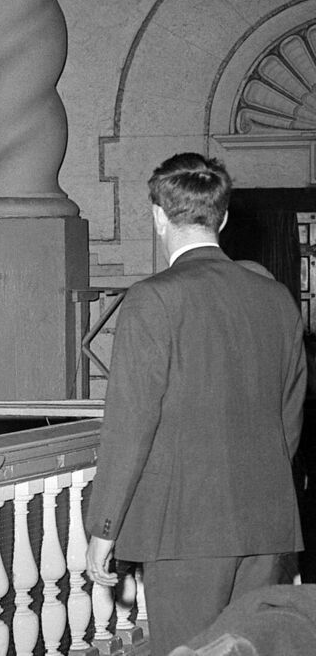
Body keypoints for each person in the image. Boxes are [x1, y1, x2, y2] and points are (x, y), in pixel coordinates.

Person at [84, 153, 307, 655]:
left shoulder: (152, 299)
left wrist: (105, 528)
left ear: (158, 217)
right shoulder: (276, 299)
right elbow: (289, 420)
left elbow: (130, 426)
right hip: (265, 520)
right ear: (223, 218)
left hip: (184, 529)